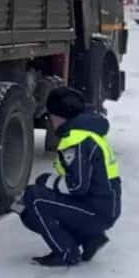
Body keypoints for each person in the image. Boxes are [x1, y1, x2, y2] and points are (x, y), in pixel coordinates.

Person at [18, 87, 122, 267]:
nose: (50, 121)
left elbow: (77, 186)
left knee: (33, 198)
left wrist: (47, 181)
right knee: (30, 204)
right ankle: (90, 239)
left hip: (96, 211)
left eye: (50, 116)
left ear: (58, 116)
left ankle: (66, 253)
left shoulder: (76, 141)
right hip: (102, 208)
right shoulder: (88, 133)